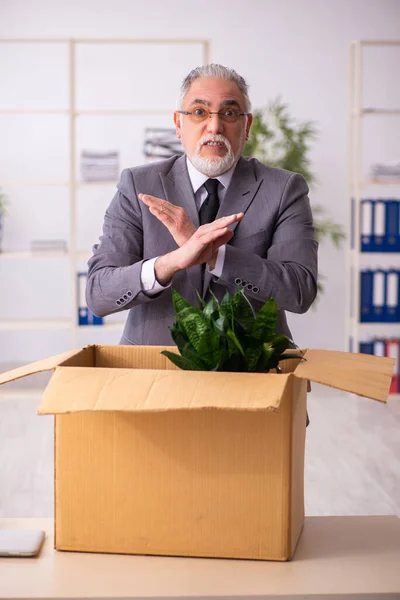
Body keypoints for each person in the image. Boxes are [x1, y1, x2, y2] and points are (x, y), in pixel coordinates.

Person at [86, 64, 318, 347]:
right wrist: (172, 262)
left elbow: (298, 290)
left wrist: (215, 256)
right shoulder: (138, 185)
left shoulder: (283, 189)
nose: (214, 126)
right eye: (199, 112)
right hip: (153, 369)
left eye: (230, 113)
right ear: (178, 124)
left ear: (247, 126)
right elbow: (99, 293)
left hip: (252, 371)